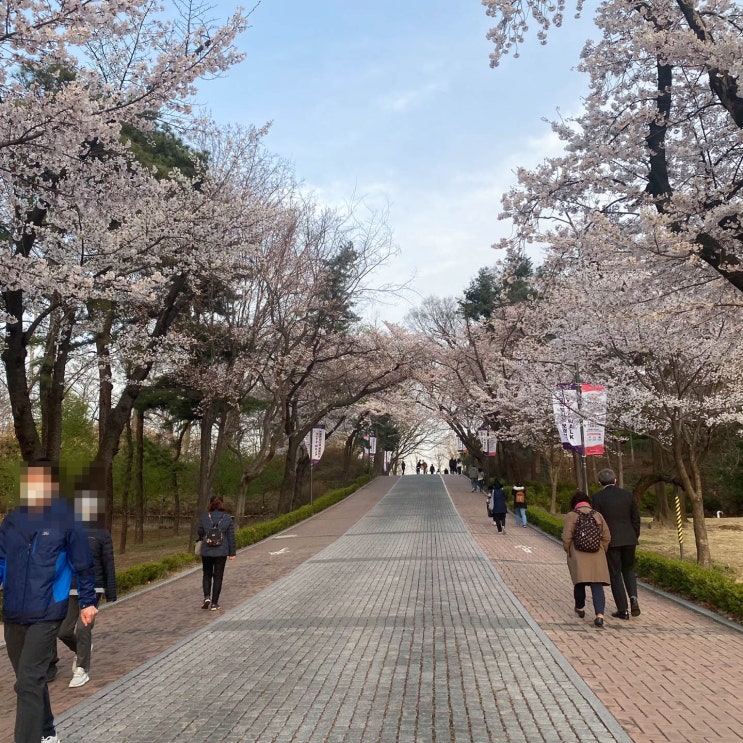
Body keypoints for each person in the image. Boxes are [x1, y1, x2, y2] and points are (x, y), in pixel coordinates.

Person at [0, 460, 98, 743]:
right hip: (14, 612)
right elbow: (2, 561)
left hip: (47, 610)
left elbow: (83, 564)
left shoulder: (68, 520)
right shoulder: (12, 520)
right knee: (29, 679)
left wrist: (88, 601)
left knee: (28, 681)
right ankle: (47, 732)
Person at [54, 488, 117, 688]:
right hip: (70, 587)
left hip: (94, 588)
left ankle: (82, 669)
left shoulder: (101, 534)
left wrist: (110, 590)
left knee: (82, 628)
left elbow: (108, 562)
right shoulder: (67, 532)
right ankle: (83, 649)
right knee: (63, 631)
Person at [592, 468, 642, 620]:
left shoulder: (597, 497)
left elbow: (597, 521)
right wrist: (634, 535)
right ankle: (633, 597)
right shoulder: (627, 495)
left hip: (611, 541)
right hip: (629, 539)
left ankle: (623, 609)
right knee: (629, 569)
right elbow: (636, 518)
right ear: (615, 480)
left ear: (600, 482)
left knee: (615, 574)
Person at [562, 492, 611, 628]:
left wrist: (569, 550)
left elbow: (566, 537)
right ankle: (599, 616)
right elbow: (607, 536)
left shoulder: (572, 515)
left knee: (579, 582)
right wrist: (602, 549)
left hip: (578, 553)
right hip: (597, 554)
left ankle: (580, 608)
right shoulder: (597, 515)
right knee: (597, 585)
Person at [197, 496, 237, 611]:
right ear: (222, 504)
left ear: (210, 504)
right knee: (218, 577)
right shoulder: (227, 518)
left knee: (207, 574)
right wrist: (232, 553)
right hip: (221, 551)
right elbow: (231, 537)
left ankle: (206, 597)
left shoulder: (205, 517)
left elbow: (200, 532)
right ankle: (214, 603)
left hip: (207, 551)